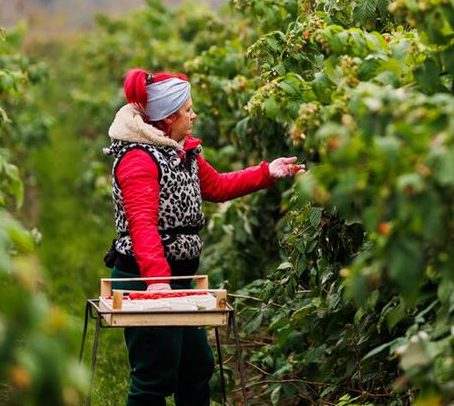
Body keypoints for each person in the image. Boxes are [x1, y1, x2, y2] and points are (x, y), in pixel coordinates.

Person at [103, 68, 304, 405]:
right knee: (155, 376)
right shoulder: (139, 158)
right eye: (187, 110)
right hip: (144, 280)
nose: (194, 115)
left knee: (196, 367)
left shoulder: (182, 153)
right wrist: (157, 285)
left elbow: (218, 186)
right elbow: (142, 225)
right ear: (168, 119)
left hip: (176, 279)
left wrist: (268, 172)